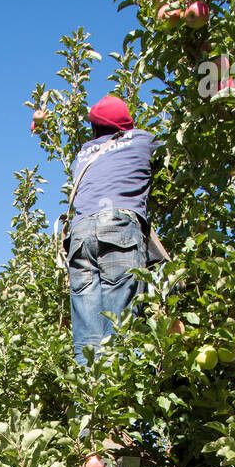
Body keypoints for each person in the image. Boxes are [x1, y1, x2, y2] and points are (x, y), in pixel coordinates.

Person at [67, 95, 160, 364]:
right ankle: (116, 402)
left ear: (95, 130)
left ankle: (90, 403)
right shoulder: (142, 140)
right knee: (118, 333)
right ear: (126, 126)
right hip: (118, 227)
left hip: (80, 235)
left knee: (87, 343)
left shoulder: (83, 155)